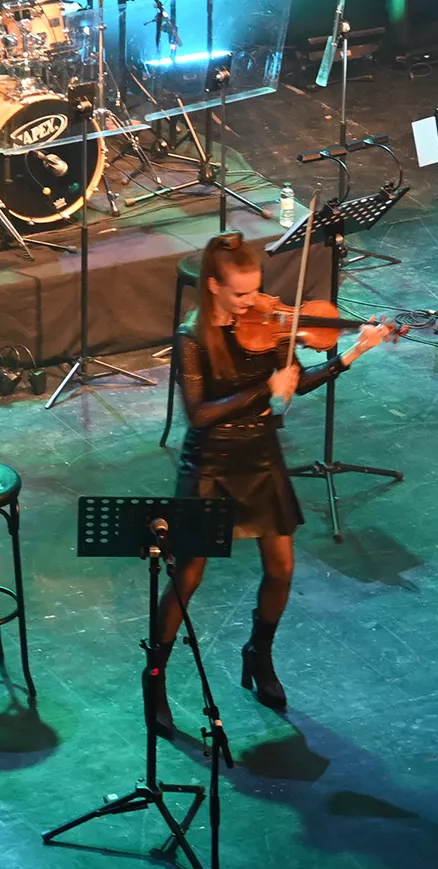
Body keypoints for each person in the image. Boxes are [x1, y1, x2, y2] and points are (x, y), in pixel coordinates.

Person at [147, 233, 395, 736]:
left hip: (261, 455)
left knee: (281, 569)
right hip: (211, 463)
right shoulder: (191, 337)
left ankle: (259, 654)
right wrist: (264, 389)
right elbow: (199, 414)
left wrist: (352, 352)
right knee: (187, 576)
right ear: (213, 286)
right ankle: (154, 676)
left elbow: (297, 382)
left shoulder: (270, 324)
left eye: (255, 290)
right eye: (240, 294)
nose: (253, 302)